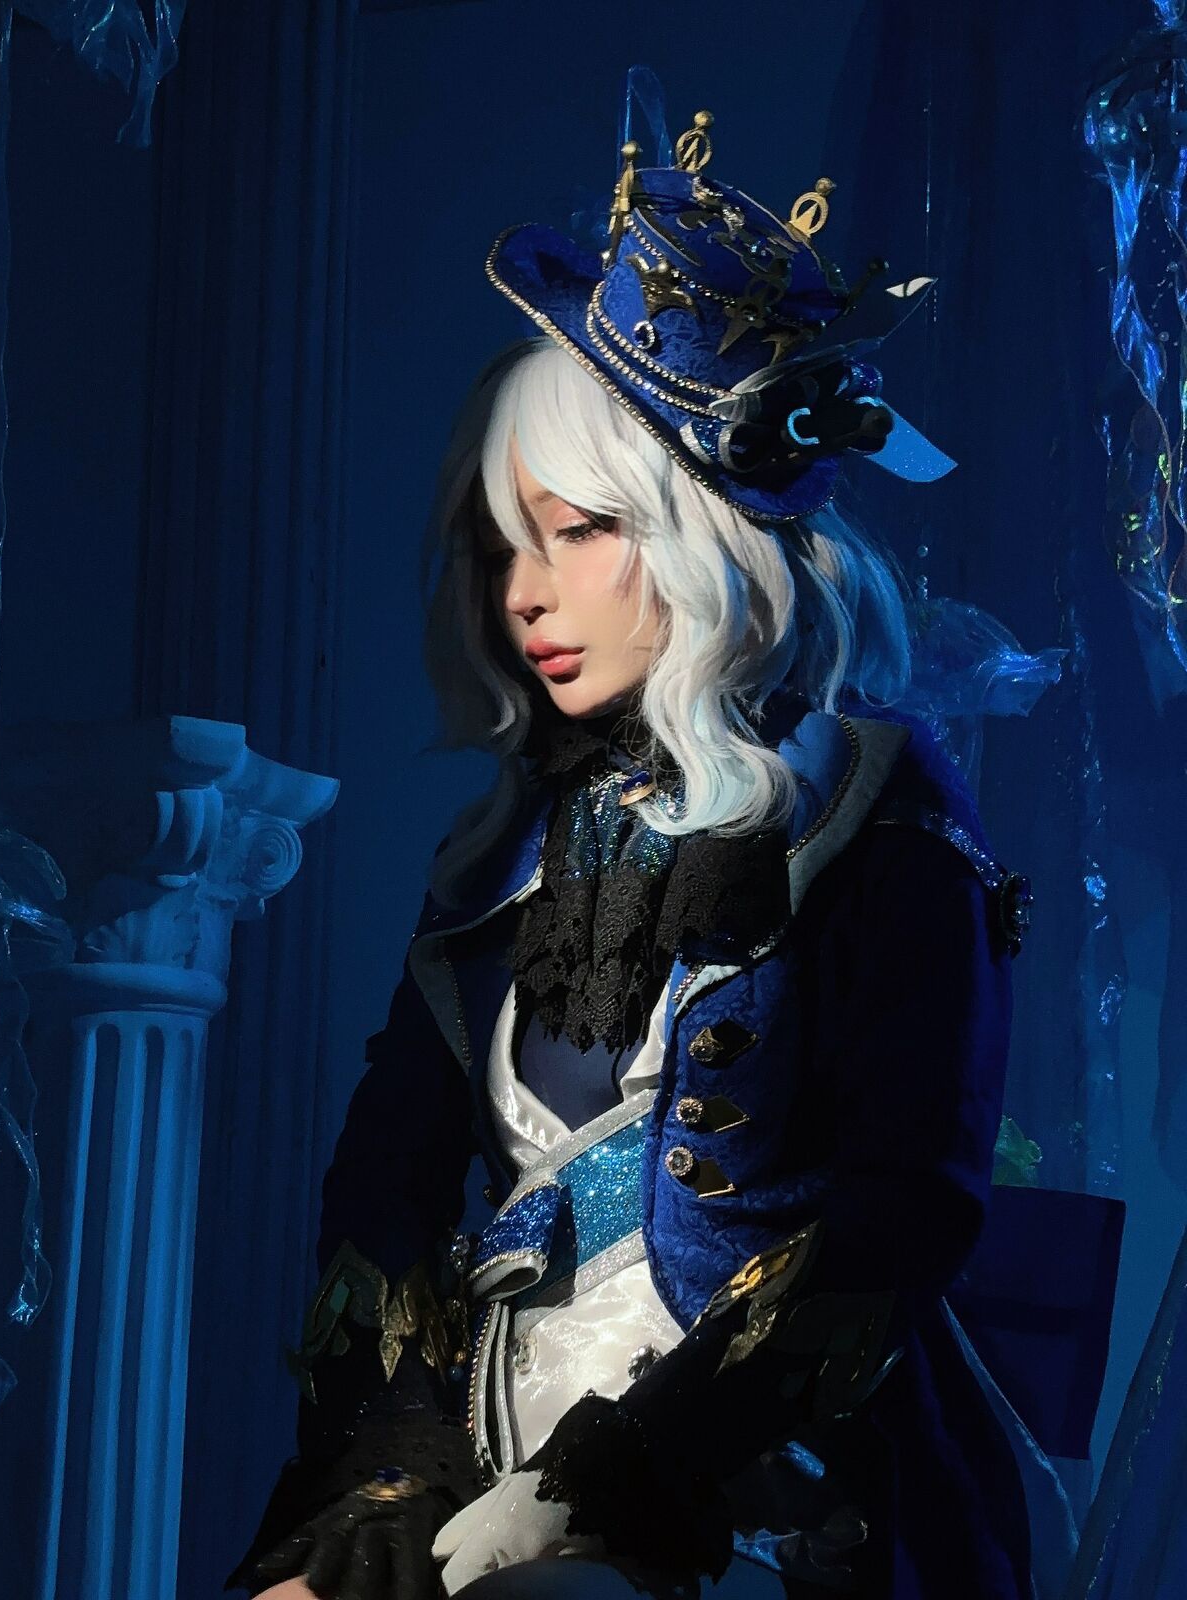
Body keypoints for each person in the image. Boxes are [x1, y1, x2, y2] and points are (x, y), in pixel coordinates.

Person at [229, 108, 1065, 1600]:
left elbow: (901, 1213)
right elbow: (384, 1185)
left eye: (577, 532)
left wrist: (608, 1479)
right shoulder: (501, 849)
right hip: (480, 1447)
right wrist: (396, 1469)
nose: (523, 596)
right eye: (501, 546)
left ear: (695, 531)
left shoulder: (878, 816)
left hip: (761, 1485)